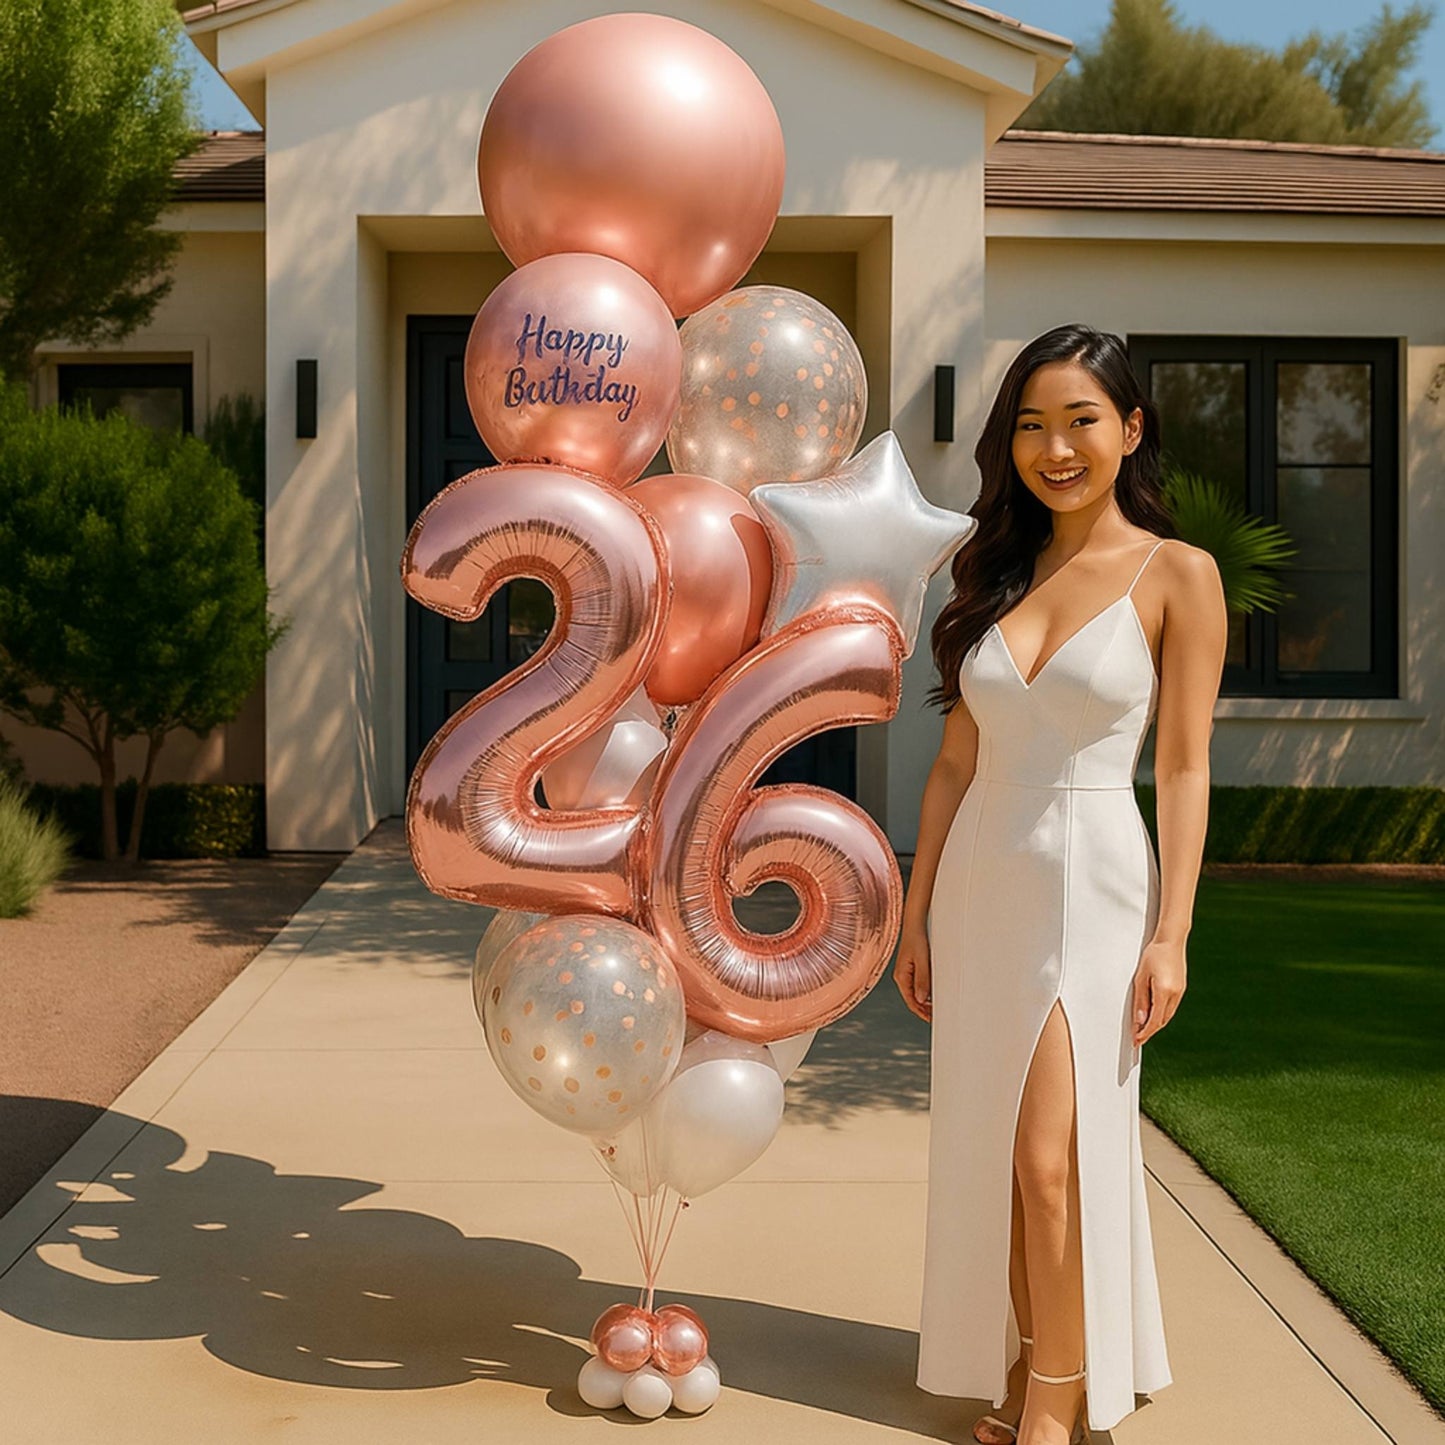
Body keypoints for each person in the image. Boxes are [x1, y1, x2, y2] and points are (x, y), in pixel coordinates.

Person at [894, 322, 1227, 1444]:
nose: (1055, 446)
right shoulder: (991, 570)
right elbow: (953, 761)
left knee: (1050, 1159)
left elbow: (1181, 765)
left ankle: (1055, 1396)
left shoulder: (1177, 574)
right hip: (982, 877)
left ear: (1129, 429)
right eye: (1030, 424)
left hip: (1093, 880)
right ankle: (1037, 1359)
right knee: (1001, 1151)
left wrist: (1171, 931)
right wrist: (914, 913)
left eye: (1080, 419)